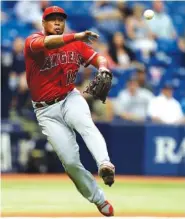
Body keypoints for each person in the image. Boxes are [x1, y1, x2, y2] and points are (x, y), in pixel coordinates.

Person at [24, 6, 115, 217]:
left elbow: (99, 58)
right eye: (52, 20)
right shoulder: (32, 42)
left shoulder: (75, 45)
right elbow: (47, 43)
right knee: (71, 162)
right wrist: (77, 36)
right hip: (45, 111)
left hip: (70, 98)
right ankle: (99, 200)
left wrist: (103, 67)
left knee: (86, 124)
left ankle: (105, 163)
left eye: (60, 20)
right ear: (43, 23)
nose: (57, 23)